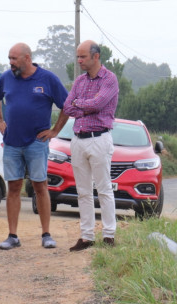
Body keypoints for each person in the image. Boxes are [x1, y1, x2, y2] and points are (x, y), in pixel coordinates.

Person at [0, 43, 68, 250]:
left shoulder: (48, 79)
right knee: (13, 187)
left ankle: (46, 235)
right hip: (12, 142)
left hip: (37, 142)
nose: (11, 62)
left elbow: (66, 105)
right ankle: (12, 236)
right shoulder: (6, 77)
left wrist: (55, 131)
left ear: (27, 58)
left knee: (40, 186)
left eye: (14, 59)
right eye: (9, 58)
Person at [62, 41, 119, 252]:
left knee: (104, 189)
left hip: (99, 139)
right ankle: (86, 237)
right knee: (83, 192)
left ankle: (109, 236)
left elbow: (99, 103)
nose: (79, 61)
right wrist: (84, 106)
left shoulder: (109, 79)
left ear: (96, 57)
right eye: (78, 56)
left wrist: (81, 104)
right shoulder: (79, 81)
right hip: (78, 139)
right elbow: (68, 106)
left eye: (83, 57)